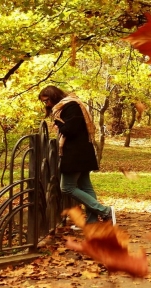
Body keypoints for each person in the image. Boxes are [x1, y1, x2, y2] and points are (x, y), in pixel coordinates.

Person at [38, 85, 115, 226]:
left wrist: (58, 125)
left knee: (66, 187)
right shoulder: (67, 106)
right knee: (86, 187)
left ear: (54, 96)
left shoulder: (71, 105)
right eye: (44, 102)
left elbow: (71, 129)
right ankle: (92, 222)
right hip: (81, 151)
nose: (47, 104)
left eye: (47, 100)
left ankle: (105, 211)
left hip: (76, 152)